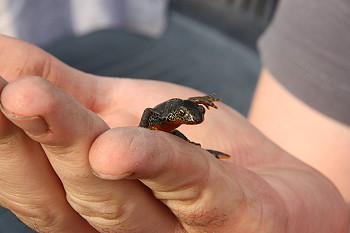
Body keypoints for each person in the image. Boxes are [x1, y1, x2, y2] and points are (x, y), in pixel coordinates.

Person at [0, 1, 349, 233]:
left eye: (193, 114)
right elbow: (156, 112)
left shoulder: (186, 111)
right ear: (181, 113)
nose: (193, 117)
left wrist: (204, 102)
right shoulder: (171, 112)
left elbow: (188, 106)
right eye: (190, 114)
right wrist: (147, 127)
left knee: (175, 149)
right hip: (150, 124)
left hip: (164, 127)